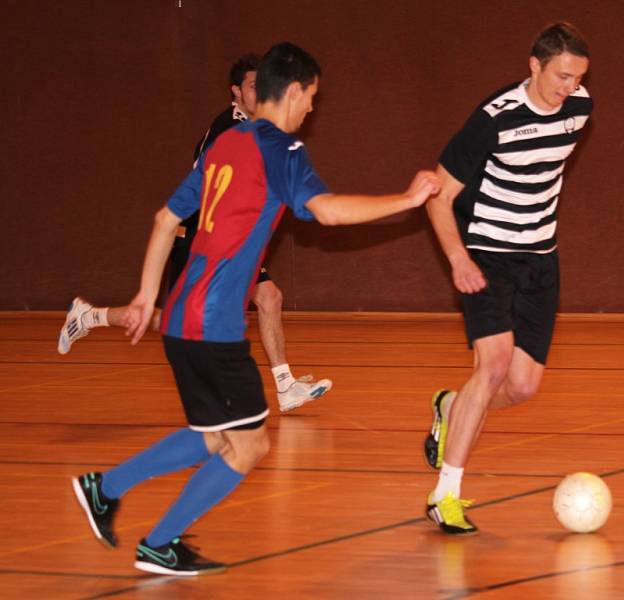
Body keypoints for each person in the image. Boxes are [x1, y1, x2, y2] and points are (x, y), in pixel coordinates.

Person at [72, 42, 440, 576]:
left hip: (181, 317)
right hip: (213, 323)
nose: (311, 109)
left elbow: (162, 220)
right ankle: (153, 537)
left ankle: (109, 494)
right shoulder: (279, 149)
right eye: (311, 97)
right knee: (249, 447)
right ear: (292, 91)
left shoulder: (223, 144)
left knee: (216, 437)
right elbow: (327, 213)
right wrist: (406, 200)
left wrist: (147, 296)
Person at [57, 53, 331, 413]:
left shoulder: (259, 130)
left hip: (231, 243)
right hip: (202, 239)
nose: (259, 91)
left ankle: (285, 386)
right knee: (171, 321)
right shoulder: (229, 130)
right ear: (236, 92)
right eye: (252, 85)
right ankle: (89, 316)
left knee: (270, 298)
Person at [423, 22, 593, 535]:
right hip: (487, 255)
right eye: (561, 76)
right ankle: (444, 496)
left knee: (521, 386)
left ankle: (451, 406)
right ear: (534, 65)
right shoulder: (492, 121)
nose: (569, 88)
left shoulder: (580, 108)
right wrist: (458, 260)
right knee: (493, 366)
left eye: (578, 78)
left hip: (540, 257)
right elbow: (438, 195)